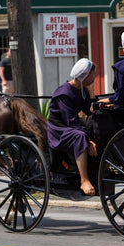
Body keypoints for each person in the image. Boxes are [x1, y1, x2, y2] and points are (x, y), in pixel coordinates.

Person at [47, 58, 98, 196]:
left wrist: (91, 92)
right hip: (59, 130)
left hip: (71, 125)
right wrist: (87, 140)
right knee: (80, 136)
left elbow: (90, 111)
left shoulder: (82, 89)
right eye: (93, 74)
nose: (95, 76)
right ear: (86, 76)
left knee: (96, 126)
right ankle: (84, 179)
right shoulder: (64, 93)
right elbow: (72, 122)